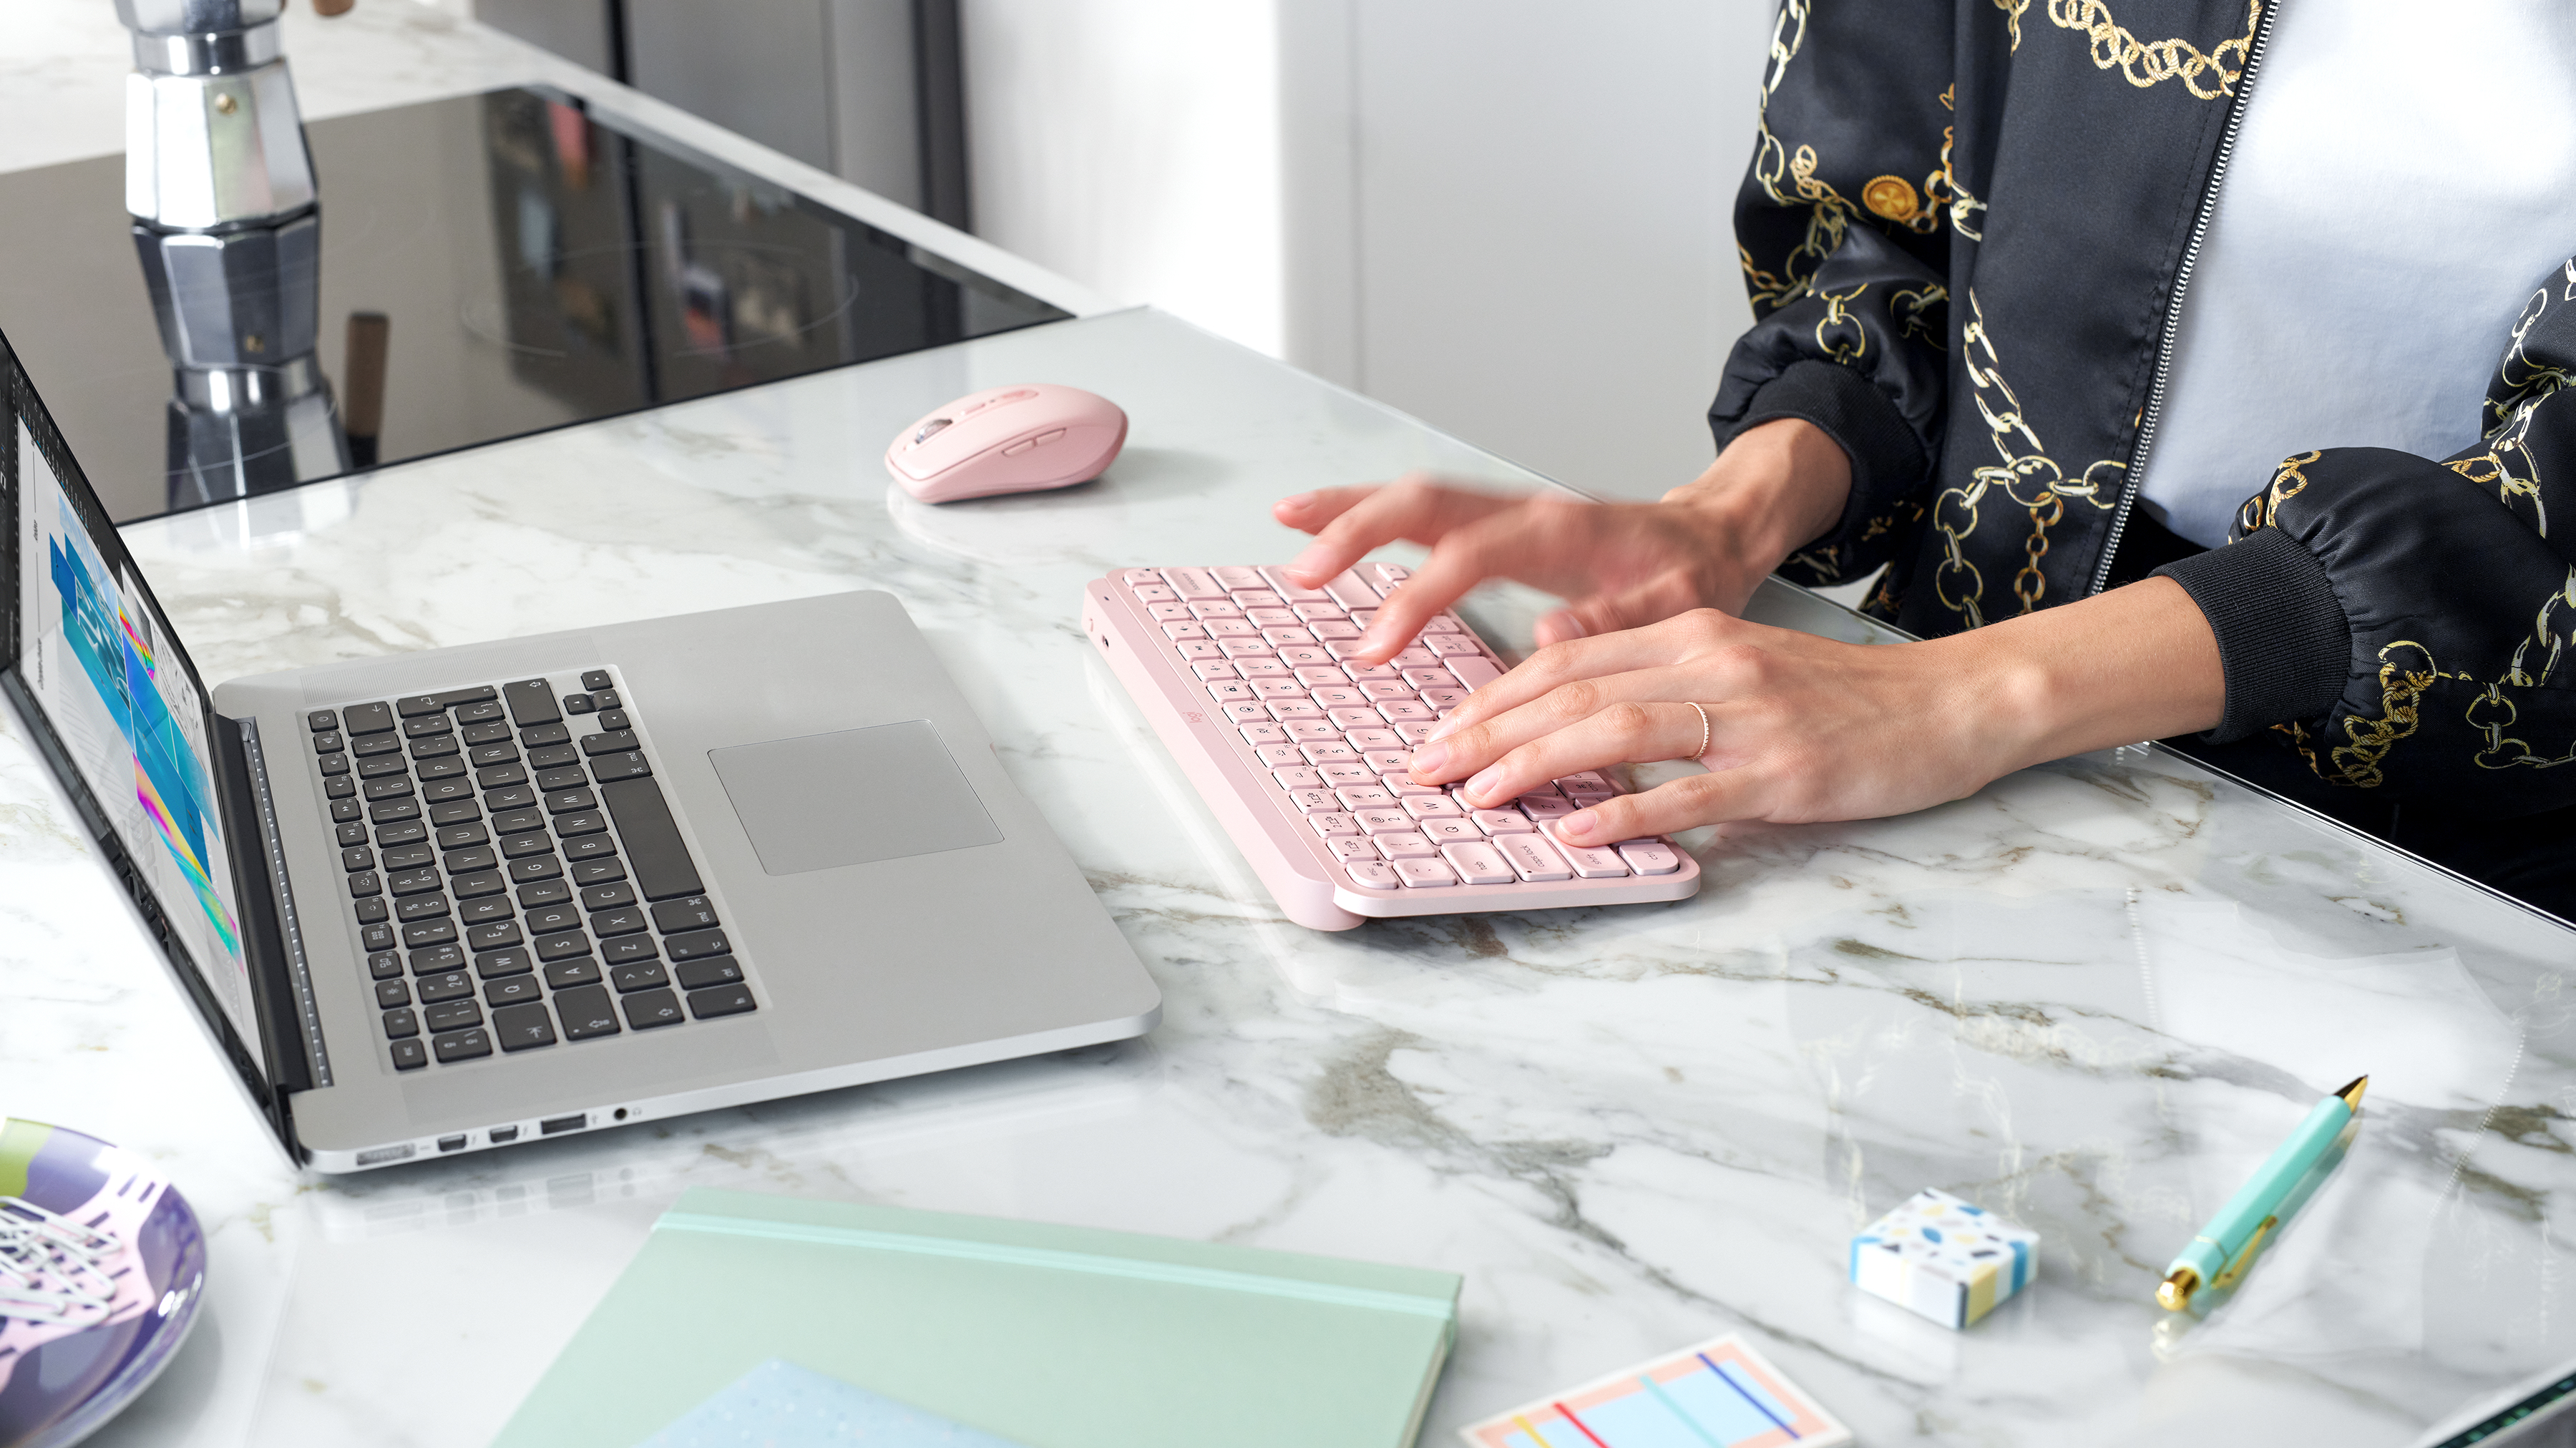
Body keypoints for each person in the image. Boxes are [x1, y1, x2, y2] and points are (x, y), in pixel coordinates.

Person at [1272, 0, 2576, 915]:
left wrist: (1965, 701)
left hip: (2457, 849)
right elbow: (1893, 229)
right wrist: (1739, 510)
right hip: (1957, 715)